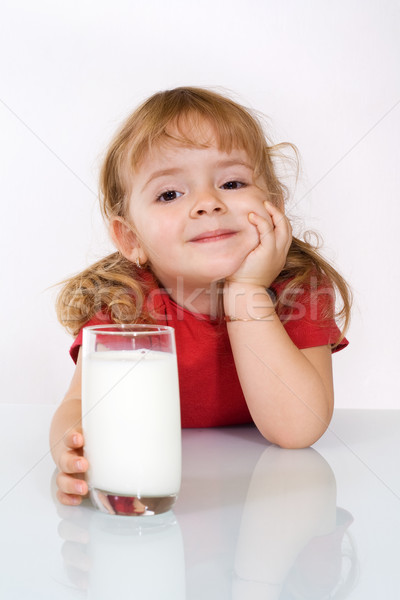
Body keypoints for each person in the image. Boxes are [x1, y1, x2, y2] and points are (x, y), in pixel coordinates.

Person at [50, 86, 351, 506]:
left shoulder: (298, 285)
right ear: (130, 237)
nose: (207, 204)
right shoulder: (123, 301)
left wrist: (246, 291)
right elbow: (80, 404)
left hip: (275, 497)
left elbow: (297, 430)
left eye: (231, 182)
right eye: (170, 194)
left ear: (274, 208)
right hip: (174, 492)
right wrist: (72, 446)